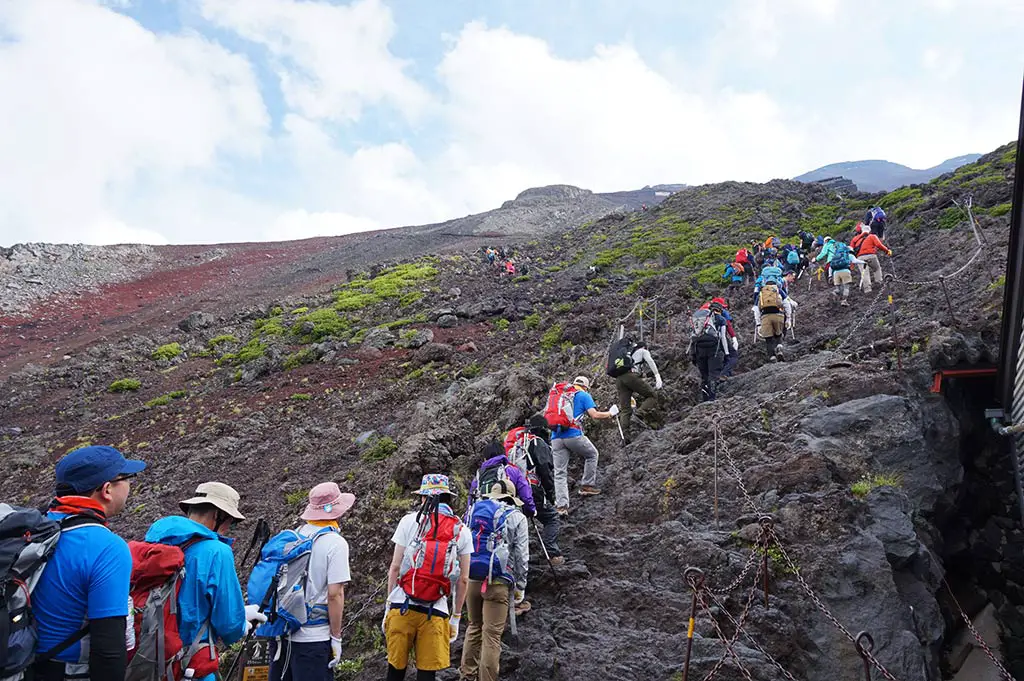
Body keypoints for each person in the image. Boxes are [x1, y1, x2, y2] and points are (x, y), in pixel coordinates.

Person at [32, 446, 146, 681]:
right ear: (106, 489)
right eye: (127, 478)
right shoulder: (107, 547)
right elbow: (108, 647)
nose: (130, 486)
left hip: (20, 665)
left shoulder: (34, 528)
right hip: (70, 672)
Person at [144, 482, 266, 681]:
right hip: (191, 664)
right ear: (218, 515)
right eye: (231, 521)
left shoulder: (154, 542)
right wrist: (242, 623)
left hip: (148, 659)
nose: (229, 528)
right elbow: (228, 625)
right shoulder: (217, 552)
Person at [384, 475, 472, 681]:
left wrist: (389, 605)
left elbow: (395, 567)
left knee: (395, 671)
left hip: (402, 606)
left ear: (424, 498)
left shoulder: (409, 521)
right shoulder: (461, 531)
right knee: (427, 674)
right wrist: (456, 617)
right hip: (436, 611)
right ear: (448, 498)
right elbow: (464, 579)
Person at [265, 483, 355, 681]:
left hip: (282, 637)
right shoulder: (335, 542)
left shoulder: (295, 535)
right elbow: (335, 594)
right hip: (314, 640)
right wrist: (336, 637)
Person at [459, 480, 530, 681]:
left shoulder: (475, 510)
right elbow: (522, 556)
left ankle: (466, 675)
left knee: (474, 627)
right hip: (498, 582)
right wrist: (520, 587)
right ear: (512, 497)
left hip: (473, 577)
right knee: (491, 635)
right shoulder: (517, 517)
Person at [550, 376, 618, 513]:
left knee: (560, 473)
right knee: (592, 454)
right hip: (573, 435)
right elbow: (595, 415)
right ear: (586, 387)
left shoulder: (560, 394)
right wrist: (610, 413)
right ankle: (586, 486)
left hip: (555, 437)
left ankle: (561, 506)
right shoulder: (583, 395)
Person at [512, 415, 563, 564]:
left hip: (516, 491)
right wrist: (550, 494)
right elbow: (544, 470)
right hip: (533, 490)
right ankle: (552, 554)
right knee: (551, 518)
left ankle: (516, 558)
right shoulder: (538, 443)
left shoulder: (519, 444)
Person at [466, 442, 537, 518]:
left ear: (485, 458)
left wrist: (467, 517)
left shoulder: (479, 475)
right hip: (506, 515)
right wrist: (531, 509)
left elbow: (471, 500)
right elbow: (525, 493)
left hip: (482, 517)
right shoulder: (512, 471)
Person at [614, 340, 663, 444]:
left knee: (625, 409)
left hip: (619, 379)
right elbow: (650, 361)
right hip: (631, 376)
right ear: (644, 347)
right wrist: (657, 375)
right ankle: (638, 414)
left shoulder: (626, 353)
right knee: (652, 395)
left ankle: (625, 438)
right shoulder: (643, 351)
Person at [688, 301, 731, 401]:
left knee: (704, 376)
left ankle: (704, 399)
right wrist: (727, 353)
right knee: (713, 374)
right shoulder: (720, 319)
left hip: (699, 349)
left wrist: (693, 354)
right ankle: (712, 399)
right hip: (714, 350)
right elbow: (723, 337)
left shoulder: (698, 319)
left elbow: (692, 337)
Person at [851, 224, 892, 294]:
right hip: (871, 255)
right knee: (877, 269)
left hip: (860, 258)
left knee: (864, 273)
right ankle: (879, 283)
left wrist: (851, 263)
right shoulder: (872, 236)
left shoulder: (855, 239)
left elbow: (851, 250)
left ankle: (867, 290)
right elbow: (879, 245)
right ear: (869, 231)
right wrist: (887, 250)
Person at [756, 277, 786, 361]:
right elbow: (784, 303)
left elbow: (757, 308)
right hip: (777, 315)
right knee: (778, 333)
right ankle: (779, 347)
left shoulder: (761, 293)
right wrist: (787, 318)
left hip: (765, 316)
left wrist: (758, 323)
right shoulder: (778, 290)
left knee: (768, 339)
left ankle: (772, 357)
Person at [828, 240, 855, 306]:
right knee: (846, 287)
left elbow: (830, 267)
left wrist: (830, 275)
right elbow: (855, 261)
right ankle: (844, 301)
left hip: (836, 273)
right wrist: (864, 262)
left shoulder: (836, 256)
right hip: (845, 271)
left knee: (838, 288)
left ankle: (834, 292)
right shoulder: (849, 255)